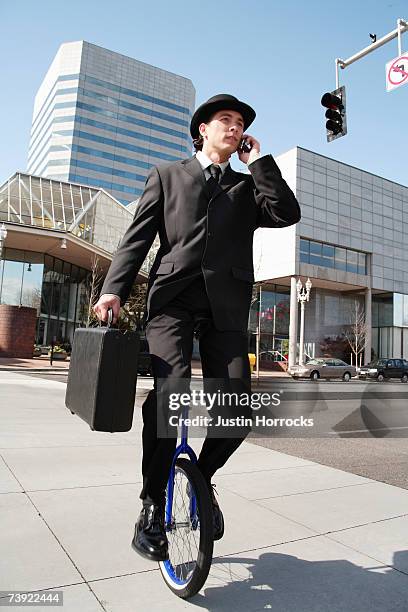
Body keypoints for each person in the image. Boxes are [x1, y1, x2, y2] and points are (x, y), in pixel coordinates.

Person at [93, 93, 301, 561]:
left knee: (236, 415)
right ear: (202, 129)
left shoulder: (248, 188)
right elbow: (137, 238)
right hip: (172, 304)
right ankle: (151, 505)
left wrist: (260, 162)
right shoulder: (167, 175)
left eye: (240, 122)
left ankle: (201, 483)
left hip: (225, 311)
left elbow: (287, 213)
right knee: (169, 401)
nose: (234, 126)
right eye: (225, 119)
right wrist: (114, 290)